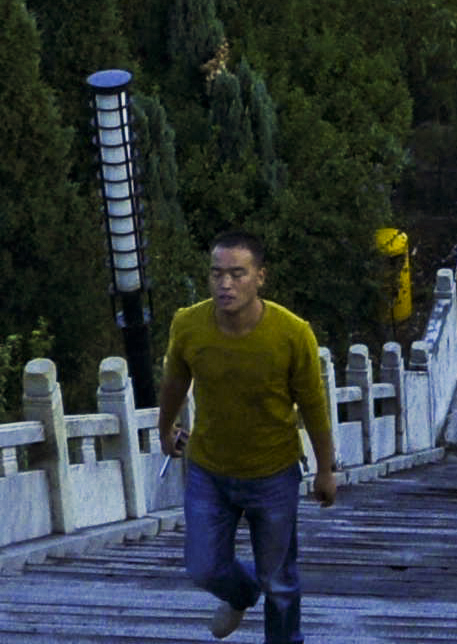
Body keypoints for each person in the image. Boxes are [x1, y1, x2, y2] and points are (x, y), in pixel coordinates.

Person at [156, 232, 341, 643]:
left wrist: (326, 470)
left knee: (280, 582)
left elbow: (314, 405)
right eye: (217, 274)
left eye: (237, 274)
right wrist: (164, 426)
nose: (225, 284)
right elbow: (174, 381)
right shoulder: (189, 324)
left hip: (272, 473)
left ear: (260, 277)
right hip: (209, 469)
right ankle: (241, 592)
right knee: (203, 567)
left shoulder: (292, 333)